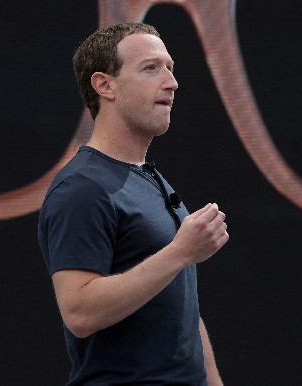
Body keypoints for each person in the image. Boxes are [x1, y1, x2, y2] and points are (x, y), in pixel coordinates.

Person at [38, 22, 229, 386]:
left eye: (171, 68)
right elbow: (79, 312)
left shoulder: (149, 178)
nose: (171, 82)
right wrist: (179, 253)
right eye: (150, 68)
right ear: (104, 85)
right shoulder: (82, 188)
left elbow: (182, 310)